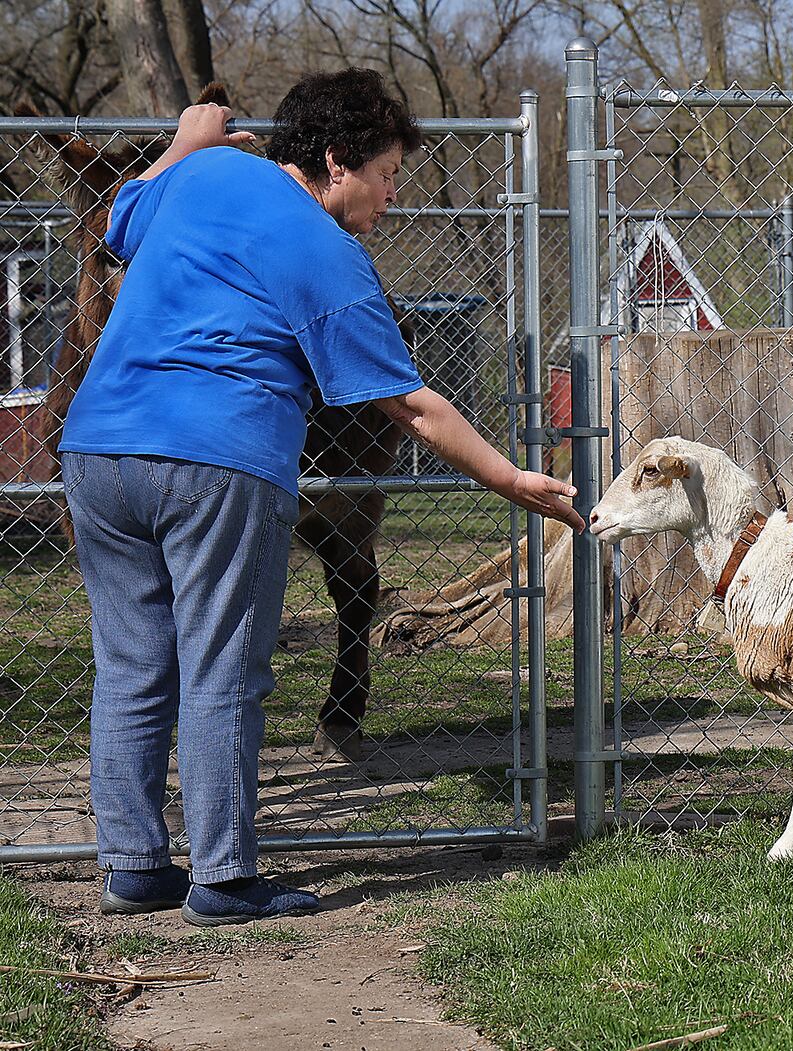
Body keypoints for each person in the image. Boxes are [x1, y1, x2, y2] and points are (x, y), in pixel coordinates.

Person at [58, 69, 585, 926]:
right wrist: (511, 476)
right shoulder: (330, 254)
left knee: (130, 663)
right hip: (216, 460)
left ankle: (132, 865)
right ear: (336, 164)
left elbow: (118, 227)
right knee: (223, 665)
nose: (393, 194)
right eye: (385, 173)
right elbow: (413, 405)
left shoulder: (205, 173)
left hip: (97, 450)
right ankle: (223, 876)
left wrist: (183, 143)